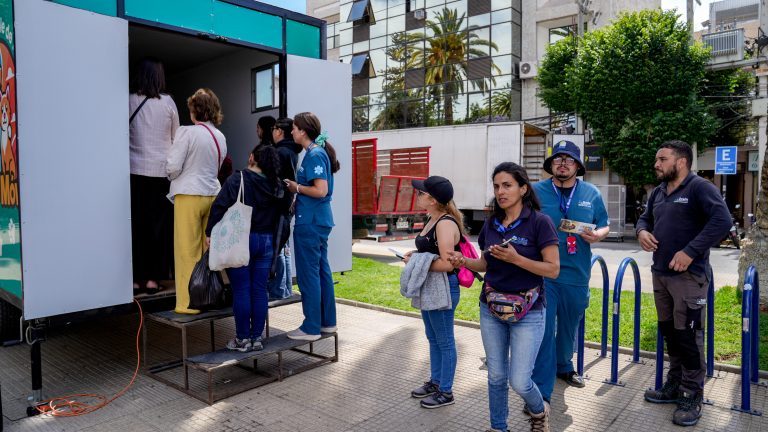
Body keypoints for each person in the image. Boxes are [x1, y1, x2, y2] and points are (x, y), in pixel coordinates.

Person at [449, 162, 559, 432]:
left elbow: (553, 269)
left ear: (523, 188)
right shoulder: (492, 223)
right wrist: (463, 260)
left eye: (507, 185)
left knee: (520, 381)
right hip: (491, 309)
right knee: (496, 376)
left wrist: (517, 258)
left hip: (529, 312)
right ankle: (498, 427)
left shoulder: (539, 222)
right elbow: (486, 263)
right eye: (497, 186)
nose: (500, 191)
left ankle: (539, 411)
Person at [637, 140, 731, 427]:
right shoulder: (659, 192)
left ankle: (692, 395)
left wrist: (690, 251)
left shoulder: (699, 187)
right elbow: (644, 219)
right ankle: (674, 386)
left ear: (681, 162)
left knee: (689, 338)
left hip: (689, 278)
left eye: (662, 159)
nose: (656, 164)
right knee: (670, 333)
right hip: (660, 274)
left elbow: (723, 221)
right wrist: (641, 232)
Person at [531, 140, 610, 398]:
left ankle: (564, 366)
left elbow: (604, 223)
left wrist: (598, 234)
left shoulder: (591, 193)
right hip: (544, 273)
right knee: (543, 330)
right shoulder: (535, 192)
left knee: (568, 326)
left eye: (569, 159)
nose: (562, 163)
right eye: (558, 159)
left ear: (577, 165)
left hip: (577, 273)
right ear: (551, 164)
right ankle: (541, 392)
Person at [206, 145, 291, 352]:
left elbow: (219, 206)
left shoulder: (238, 179)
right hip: (267, 242)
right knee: (259, 290)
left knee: (242, 290)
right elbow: (285, 211)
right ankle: (256, 338)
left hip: (241, 240)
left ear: (252, 157)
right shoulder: (277, 185)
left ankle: (242, 339)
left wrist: (209, 233)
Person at [403, 176, 463, 409]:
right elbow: (430, 253)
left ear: (433, 200)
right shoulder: (433, 218)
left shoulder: (445, 223)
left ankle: (446, 391)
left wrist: (416, 262)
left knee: (445, 341)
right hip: (431, 287)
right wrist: (415, 257)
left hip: (444, 288)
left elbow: (449, 264)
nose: (418, 195)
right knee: (433, 338)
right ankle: (436, 382)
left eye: (421, 193)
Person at [166, 88, 227, 314]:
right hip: (211, 194)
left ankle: (188, 304)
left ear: (194, 111)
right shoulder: (220, 136)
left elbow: (172, 166)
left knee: (186, 251)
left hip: (189, 195)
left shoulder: (186, 133)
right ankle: (206, 296)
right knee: (205, 249)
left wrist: (173, 176)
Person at [283, 112, 340, 341]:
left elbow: (320, 190)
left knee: (309, 275)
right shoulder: (317, 152)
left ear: (303, 131)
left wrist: (296, 189)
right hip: (319, 221)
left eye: (294, 128)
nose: (292, 132)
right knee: (322, 272)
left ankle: (311, 327)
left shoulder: (314, 154)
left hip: (311, 223)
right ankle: (327, 322)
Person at [129, 57, 179, 294]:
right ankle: (152, 279)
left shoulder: (128, 101)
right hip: (161, 174)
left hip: (134, 172)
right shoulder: (168, 103)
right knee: (158, 228)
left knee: (136, 226)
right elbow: (175, 139)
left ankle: (135, 278)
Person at [267, 117, 303, 301]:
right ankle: (286, 288)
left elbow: (274, 181)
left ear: (279, 131)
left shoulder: (280, 152)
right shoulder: (292, 151)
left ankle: (278, 290)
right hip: (288, 204)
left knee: (277, 246)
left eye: (273, 129)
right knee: (284, 246)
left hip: (279, 205)